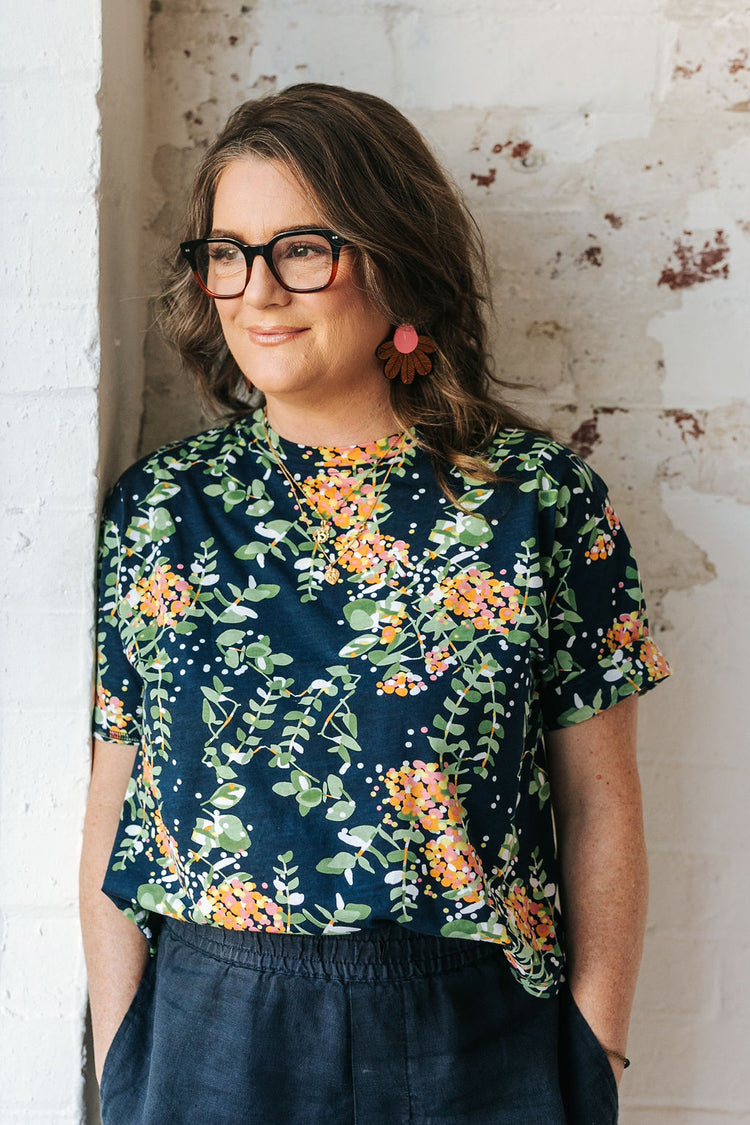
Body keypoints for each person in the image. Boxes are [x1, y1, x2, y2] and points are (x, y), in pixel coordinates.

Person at [80, 83, 671, 1125]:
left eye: (302, 249)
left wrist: (598, 1047)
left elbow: (601, 803)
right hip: (212, 1032)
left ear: (393, 257)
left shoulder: (538, 503)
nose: (257, 292)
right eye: (227, 253)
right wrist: (124, 1052)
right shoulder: (160, 511)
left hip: (472, 1030)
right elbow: (114, 795)